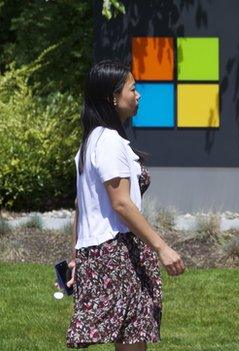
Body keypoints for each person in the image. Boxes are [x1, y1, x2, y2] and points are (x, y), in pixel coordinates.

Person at [65, 60, 185, 350]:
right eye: (132, 89)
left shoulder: (91, 142)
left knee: (130, 337)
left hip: (100, 251)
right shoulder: (108, 143)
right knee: (132, 339)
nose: (138, 95)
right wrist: (162, 247)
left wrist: (75, 257)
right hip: (117, 253)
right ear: (113, 98)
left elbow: (81, 208)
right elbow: (121, 203)